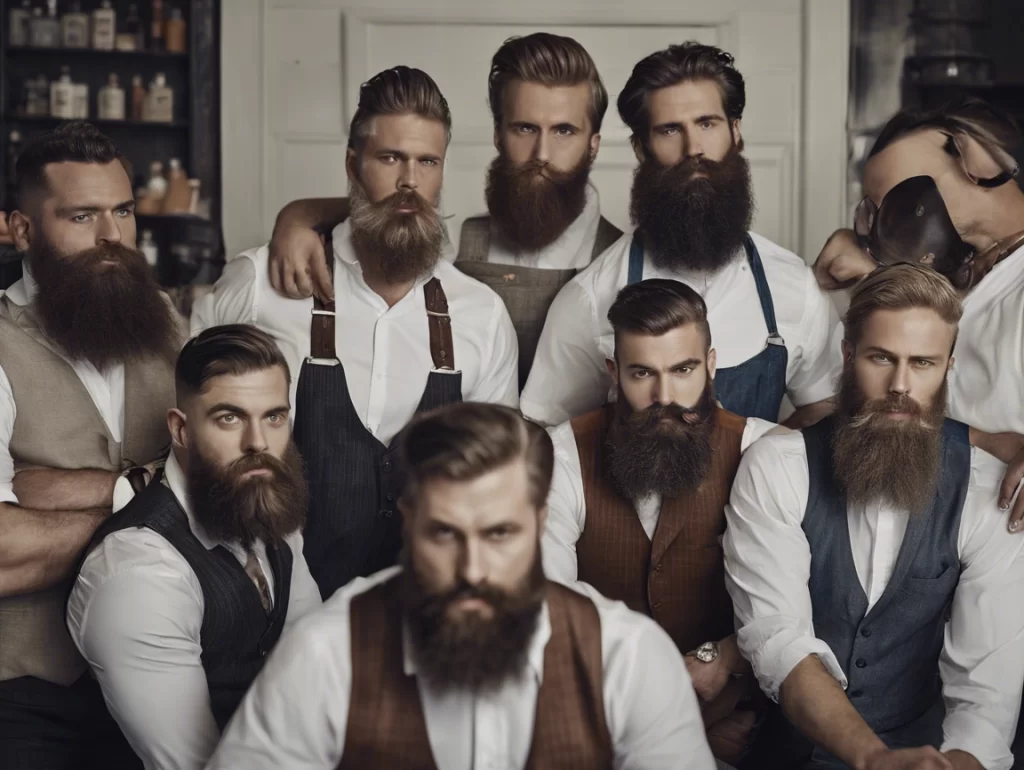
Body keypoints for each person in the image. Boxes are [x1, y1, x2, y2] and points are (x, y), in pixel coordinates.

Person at [206, 402, 716, 770]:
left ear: (540, 525)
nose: (472, 570)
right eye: (445, 534)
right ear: (408, 522)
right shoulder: (326, 655)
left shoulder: (628, 659)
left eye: (500, 534)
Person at [191, 66, 518, 600]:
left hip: (423, 611)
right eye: (390, 159)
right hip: (273, 604)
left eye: (427, 162)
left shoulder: (480, 314)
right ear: (352, 165)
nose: (409, 180)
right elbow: (193, 433)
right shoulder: (260, 286)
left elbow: (494, 482)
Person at [723, 264, 1024, 770]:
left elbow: (985, 689)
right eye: (881, 358)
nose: (900, 385)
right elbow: (780, 641)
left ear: (949, 366)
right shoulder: (778, 467)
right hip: (793, 755)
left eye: (923, 363)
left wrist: (958, 764)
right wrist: (874, 760)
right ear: (847, 355)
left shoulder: (989, 490)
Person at [265, 33, 622, 388]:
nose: (541, 153)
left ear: (593, 146)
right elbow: (392, 209)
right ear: (498, 135)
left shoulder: (621, 262)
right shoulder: (451, 240)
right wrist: (299, 216)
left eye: (564, 131)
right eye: (524, 128)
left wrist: (301, 214)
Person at [519, 42, 840, 428]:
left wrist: (766, 457)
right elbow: (545, 433)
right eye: (670, 130)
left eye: (707, 123)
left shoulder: (794, 287)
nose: (694, 149)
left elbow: (825, 406)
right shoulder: (589, 300)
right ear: (641, 148)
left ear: (735, 132)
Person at [0, 122, 185, 768]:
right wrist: (151, 498)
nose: (113, 239)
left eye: (124, 212)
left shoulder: (171, 325)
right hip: (23, 696)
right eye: (82, 216)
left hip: (164, 676)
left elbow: (225, 479)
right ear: (22, 231)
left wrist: (62, 493)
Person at [542, 278, 776, 764]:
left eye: (684, 369)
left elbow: (797, 606)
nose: (664, 395)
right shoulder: (563, 453)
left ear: (710, 365)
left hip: (738, 720)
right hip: (603, 720)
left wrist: (726, 658)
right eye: (642, 373)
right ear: (614, 372)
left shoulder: (763, 450)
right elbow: (550, 606)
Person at [66, 324, 320, 769]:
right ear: (180, 430)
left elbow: (316, 674)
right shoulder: (139, 575)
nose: (258, 443)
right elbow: (194, 763)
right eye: (230, 417)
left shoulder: (270, 516)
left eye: (274, 417)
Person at [812, 97, 1024, 531]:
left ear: (980, 160)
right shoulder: (970, 279)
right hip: (940, 550)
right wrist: (873, 267)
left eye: (890, 200)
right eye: (872, 211)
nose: (879, 226)